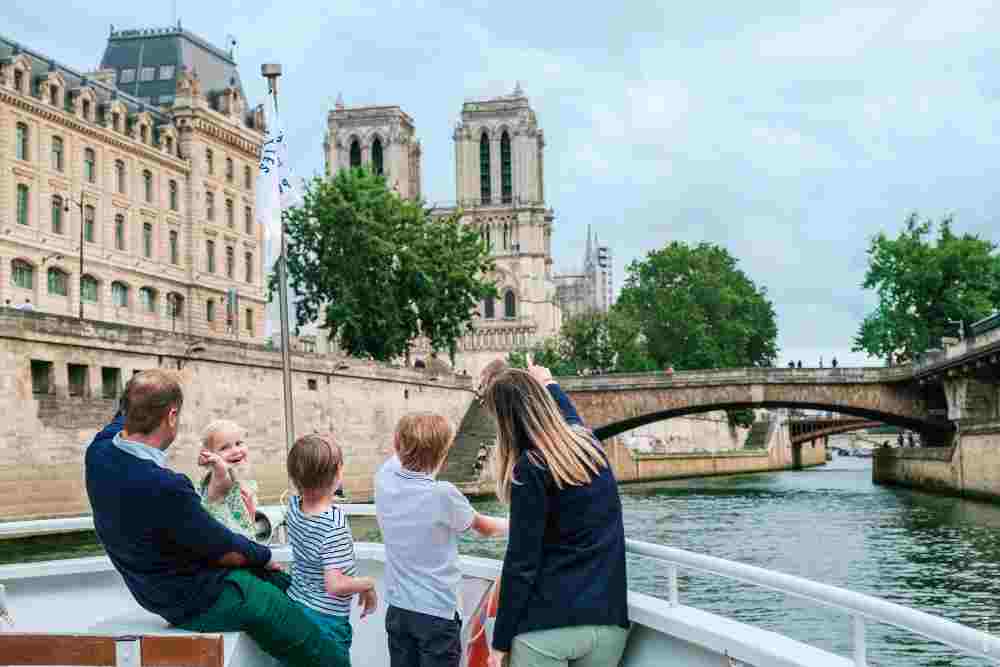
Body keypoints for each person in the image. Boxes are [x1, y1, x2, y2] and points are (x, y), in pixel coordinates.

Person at [85, 370, 350, 667]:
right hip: (193, 597)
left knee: (285, 586)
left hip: (153, 587)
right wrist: (263, 556)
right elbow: (224, 548)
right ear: (172, 415)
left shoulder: (99, 451)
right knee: (281, 613)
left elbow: (120, 418)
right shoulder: (165, 486)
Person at [482, 367, 629, 667]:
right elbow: (572, 420)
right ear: (544, 403)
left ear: (505, 423)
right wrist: (549, 383)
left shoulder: (530, 468)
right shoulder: (590, 446)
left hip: (547, 629)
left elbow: (521, 563)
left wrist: (500, 643)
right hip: (608, 624)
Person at [375, 414, 508, 667]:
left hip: (398, 610)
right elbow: (485, 528)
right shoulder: (443, 494)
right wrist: (519, 524)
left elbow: (399, 455)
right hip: (436, 613)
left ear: (396, 443)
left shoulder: (384, 480)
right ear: (445, 453)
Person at [285, 433, 376, 667]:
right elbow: (334, 585)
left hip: (295, 606)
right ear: (338, 474)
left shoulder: (294, 507)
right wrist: (366, 584)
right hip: (326, 621)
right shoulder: (334, 524)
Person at [198, 419, 258, 538]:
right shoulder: (218, 480)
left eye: (239, 443)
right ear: (210, 456)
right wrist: (219, 468)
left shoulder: (244, 482)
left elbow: (248, 522)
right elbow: (221, 479)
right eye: (225, 448)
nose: (236, 451)